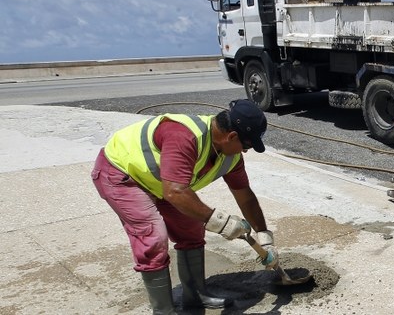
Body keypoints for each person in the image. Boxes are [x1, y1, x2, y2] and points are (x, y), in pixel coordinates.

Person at [91, 99, 282, 314]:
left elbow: (245, 196)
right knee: (153, 237)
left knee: (191, 229)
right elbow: (175, 192)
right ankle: (164, 310)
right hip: (122, 174)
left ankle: (196, 296)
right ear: (232, 136)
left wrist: (263, 235)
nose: (245, 152)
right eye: (246, 146)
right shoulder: (184, 135)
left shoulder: (231, 156)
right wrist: (221, 222)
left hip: (163, 183)